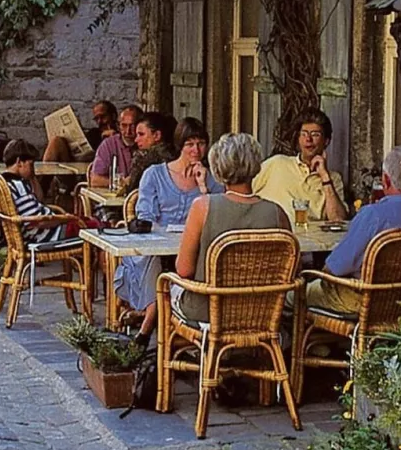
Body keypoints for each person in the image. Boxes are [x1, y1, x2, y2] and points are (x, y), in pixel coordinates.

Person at [114, 117, 221, 337]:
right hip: (157, 247)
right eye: (190, 144)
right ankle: (151, 322)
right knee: (152, 261)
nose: (196, 149)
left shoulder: (211, 179)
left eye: (201, 143)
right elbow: (146, 216)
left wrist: (202, 187)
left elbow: (217, 217)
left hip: (192, 249)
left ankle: (146, 326)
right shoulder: (155, 174)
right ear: (180, 145)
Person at [172, 133, 291, 325]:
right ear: (256, 166)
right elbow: (291, 269)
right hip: (263, 312)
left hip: (209, 311)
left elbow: (184, 270)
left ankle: (173, 349)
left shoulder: (202, 207)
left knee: (167, 287)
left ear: (217, 167)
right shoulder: (277, 213)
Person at [306, 146, 401, 314]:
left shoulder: (373, 215)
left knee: (296, 294)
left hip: (363, 300)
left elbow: (336, 267)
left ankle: (308, 339)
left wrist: (318, 275)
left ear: (386, 181)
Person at [254, 109, 345, 222]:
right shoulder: (277, 163)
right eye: (304, 134)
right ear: (298, 138)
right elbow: (242, 192)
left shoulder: (333, 179)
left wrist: (325, 177)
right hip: (272, 235)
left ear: (326, 141)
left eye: (315, 134)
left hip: (310, 238)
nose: (308, 139)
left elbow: (338, 219)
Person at [0, 140, 77, 245]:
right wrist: (64, 218)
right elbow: (38, 220)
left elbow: (39, 199)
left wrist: (32, 176)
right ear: (19, 162)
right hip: (48, 236)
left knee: (87, 221)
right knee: (94, 228)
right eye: (31, 164)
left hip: (39, 233)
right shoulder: (18, 187)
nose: (32, 168)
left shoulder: (7, 182)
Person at [43, 100, 118, 163]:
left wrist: (113, 137)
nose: (99, 121)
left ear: (113, 116)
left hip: (101, 172)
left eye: (103, 117)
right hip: (76, 169)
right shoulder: (94, 133)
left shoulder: (123, 133)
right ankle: (41, 177)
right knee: (56, 141)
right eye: (96, 118)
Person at [89, 103, 143, 188]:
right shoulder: (108, 145)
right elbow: (95, 180)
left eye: (132, 126)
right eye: (124, 125)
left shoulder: (147, 143)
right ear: (118, 126)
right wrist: (121, 183)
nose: (128, 131)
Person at [126, 111, 176, 191]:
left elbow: (132, 190)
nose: (136, 140)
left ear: (157, 135)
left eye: (141, 134)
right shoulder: (176, 155)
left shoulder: (143, 159)